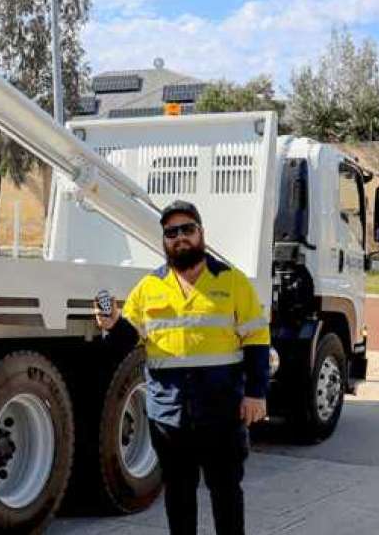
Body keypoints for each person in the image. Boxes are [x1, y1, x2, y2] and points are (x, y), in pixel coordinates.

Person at [94, 200, 270, 535]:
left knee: (227, 494)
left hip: (222, 413)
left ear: (201, 233)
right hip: (169, 417)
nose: (180, 238)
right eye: (171, 233)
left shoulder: (232, 282)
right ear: (164, 241)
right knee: (178, 496)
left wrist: (256, 393)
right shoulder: (148, 288)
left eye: (187, 229)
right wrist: (111, 323)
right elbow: (124, 342)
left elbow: (257, 339)